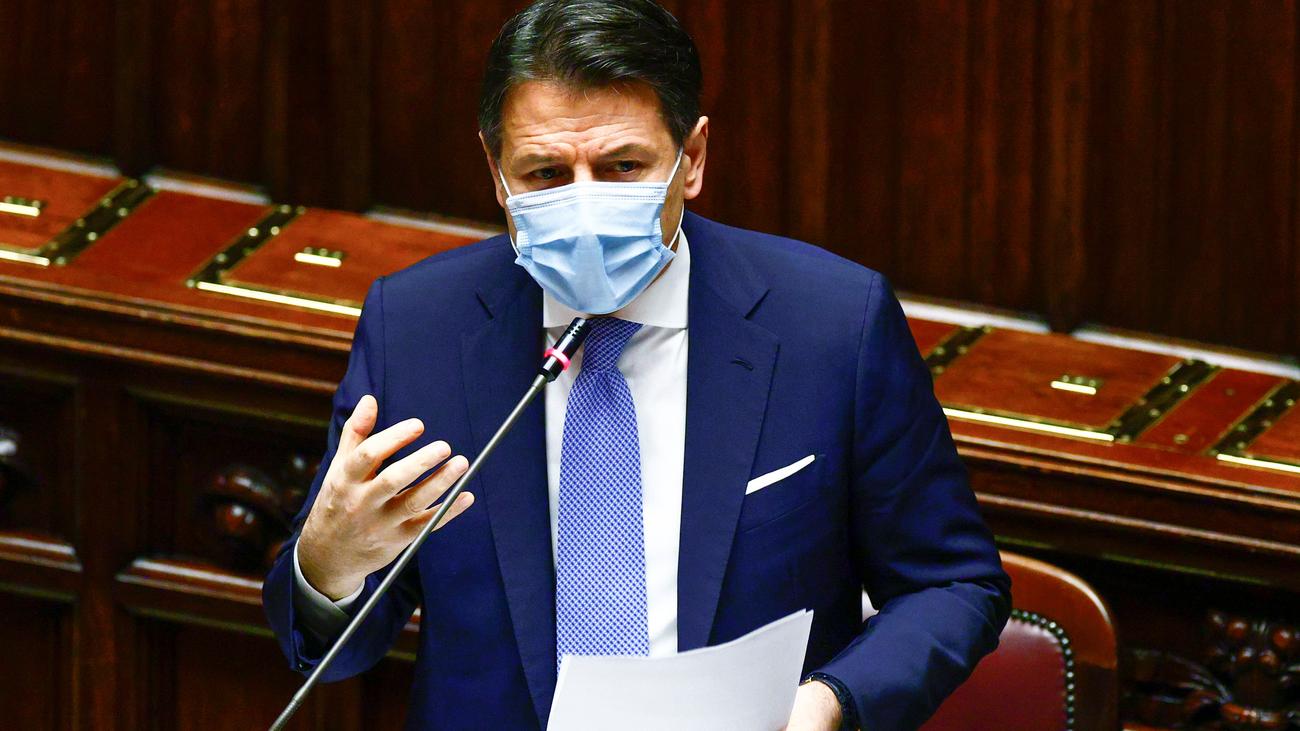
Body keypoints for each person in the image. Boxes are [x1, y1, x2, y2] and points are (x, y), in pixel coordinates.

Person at [263, 1, 1011, 728]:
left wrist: (829, 702)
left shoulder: (832, 324)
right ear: (495, 171)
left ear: (692, 158)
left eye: (623, 166)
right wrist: (327, 565)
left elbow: (952, 583)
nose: (586, 206)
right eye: (545, 174)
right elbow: (335, 647)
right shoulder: (418, 327)